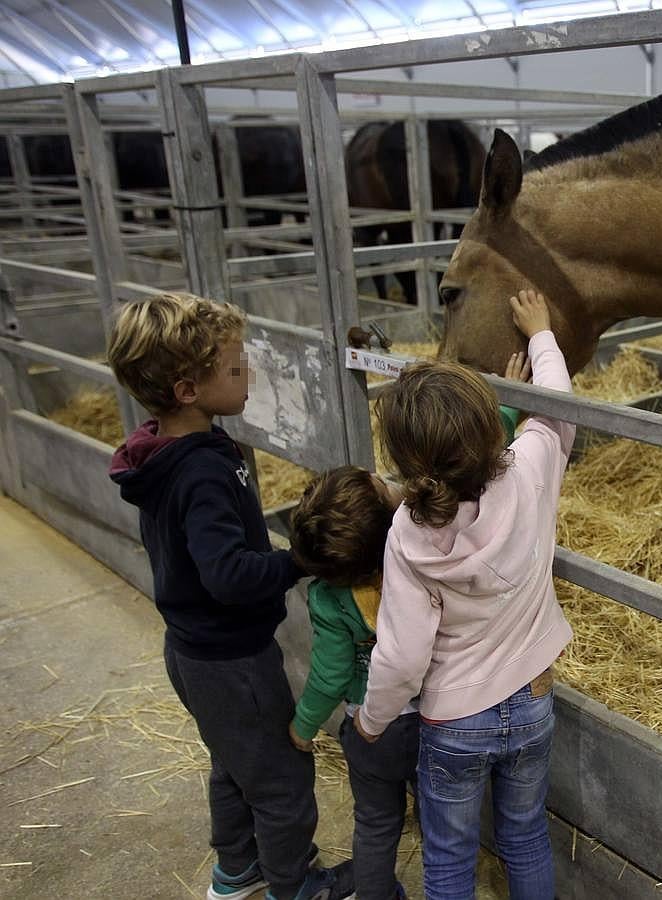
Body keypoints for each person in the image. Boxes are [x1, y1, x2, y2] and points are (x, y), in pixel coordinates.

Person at [106, 292, 351, 900]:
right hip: (231, 660)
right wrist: (296, 560)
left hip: (194, 652)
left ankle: (238, 869)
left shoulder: (166, 454)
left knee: (235, 764)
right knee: (281, 779)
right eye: (237, 367)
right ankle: (294, 886)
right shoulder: (202, 471)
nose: (249, 374)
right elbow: (230, 576)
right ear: (188, 389)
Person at [354, 289, 575, 900]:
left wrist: (372, 721)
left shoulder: (408, 534)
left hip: (453, 720)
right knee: (526, 834)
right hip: (533, 700)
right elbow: (557, 405)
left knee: (449, 857)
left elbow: (400, 657)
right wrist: (541, 334)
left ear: (403, 459)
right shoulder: (530, 468)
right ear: (490, 427)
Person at [284, 361, 530, 900]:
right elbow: (469, 456)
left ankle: (376, 894)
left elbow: (328, 674)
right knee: (443, 818)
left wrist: (304, 727)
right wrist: (508, 406)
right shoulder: (413, 559)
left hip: (371, 729)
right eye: (383, 483)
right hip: (432, 720)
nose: (390, 480)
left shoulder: (328, 599)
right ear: (390, 518)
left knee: (375, 823)